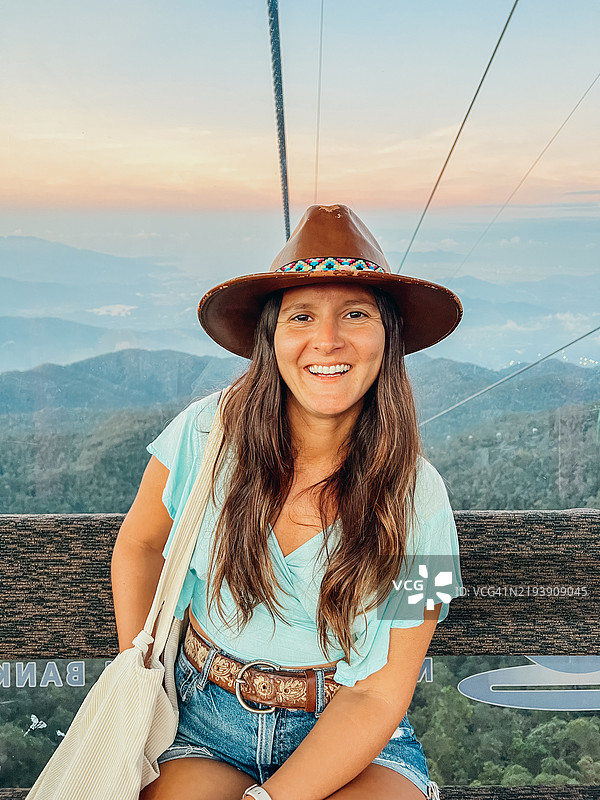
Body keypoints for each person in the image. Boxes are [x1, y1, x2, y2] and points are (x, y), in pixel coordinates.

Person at [111, 204, 464, 800]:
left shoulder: (423, 501)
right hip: (201, 719)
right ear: (272, 338)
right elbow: (142, 543)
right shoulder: (202, 437)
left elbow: (383, 689)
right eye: (301, 316)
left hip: (349, 729)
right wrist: (139, 678)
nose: (326, 340)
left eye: (356, 313)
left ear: (388, 339)